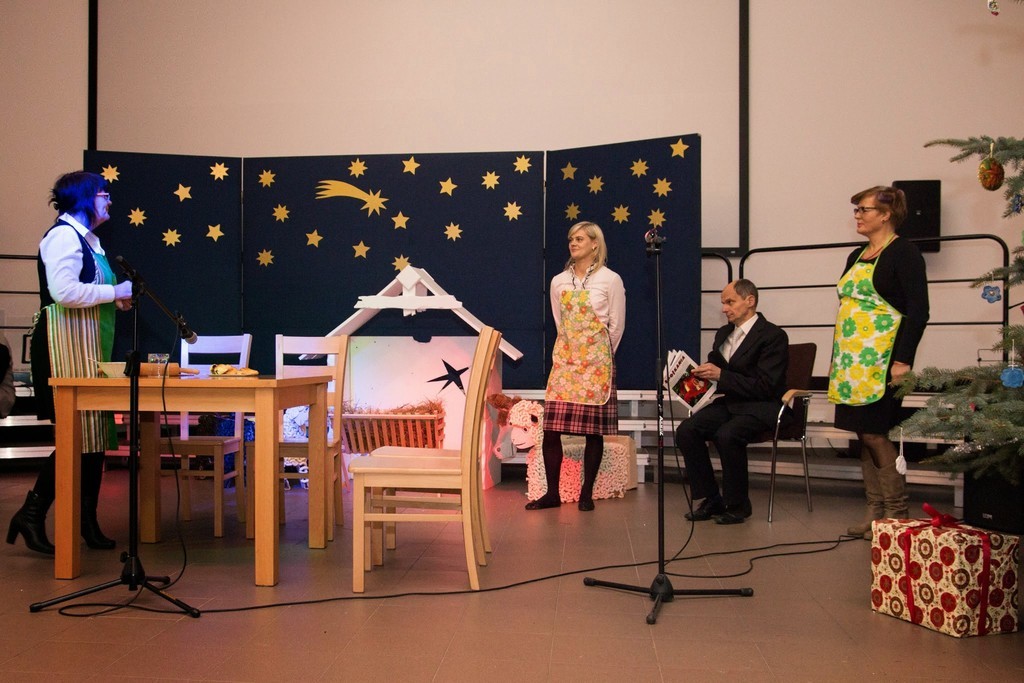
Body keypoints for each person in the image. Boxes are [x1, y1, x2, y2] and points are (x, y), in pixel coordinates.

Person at [6, 171, 134, 555]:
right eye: (103, 194)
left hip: (87, 347)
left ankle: (85, 521)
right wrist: (114, 290)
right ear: (83, 198)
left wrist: (113, 300)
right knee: (75, 437)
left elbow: (85, 289)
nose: (109, 200)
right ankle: (31, 514)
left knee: (93, 439)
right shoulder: (63, 236)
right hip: (64, 348)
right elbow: (63, 292)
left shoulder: (90, 240)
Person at [829, 185, 929, 539]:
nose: (857, 215)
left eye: (864, 209)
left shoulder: (905, 253)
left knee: (875, 432)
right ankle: (874, 511)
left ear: (886, 214)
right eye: (856, 209)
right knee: (863, 434)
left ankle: (896, 514)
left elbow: (919, 311)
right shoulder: (856, 255)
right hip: (852, 364)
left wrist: (903, 360)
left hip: (884, 361)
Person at [526, 221, 625, 512]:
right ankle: (552, 494)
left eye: (580, 238)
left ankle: (586, 493)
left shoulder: (610, 279)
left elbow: (616, 326)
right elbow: (560, 323)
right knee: (552, 429)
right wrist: (572, 351)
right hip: (567, 364)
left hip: (596, 366)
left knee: (593, 431)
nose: (573, 243)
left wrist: (599, 356)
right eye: (571, 238)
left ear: (595, 244)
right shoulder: (558, 281)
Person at [675, 279, 789, 524]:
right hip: (732, 403)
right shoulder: (723, 333)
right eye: (723, 303)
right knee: (687, 430)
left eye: (730, 302)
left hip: (762, 406)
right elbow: (716, 368)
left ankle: (738, 504)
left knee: (727, 435)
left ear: (750, 301)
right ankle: (711, 498)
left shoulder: (773, 336)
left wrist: (721, 376)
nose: (724, 308)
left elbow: (766, 386)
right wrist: (691, 376)